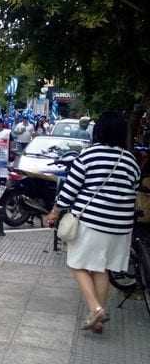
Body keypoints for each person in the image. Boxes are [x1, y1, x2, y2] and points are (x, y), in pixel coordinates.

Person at [46, 112, 140, 333]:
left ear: (98, 131)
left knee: (77, 265)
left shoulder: (89, 156)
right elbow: (132, 192)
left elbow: (69, 190)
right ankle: (97, 319)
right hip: (120, 226)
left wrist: (54, 212)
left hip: (92, 223)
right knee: (101, 268)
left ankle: (96, 307)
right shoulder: (130, 160)